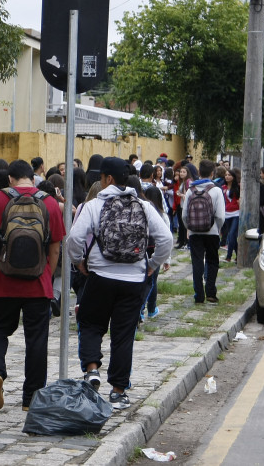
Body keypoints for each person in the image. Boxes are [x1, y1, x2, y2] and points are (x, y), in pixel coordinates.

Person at [67, 157, 173, 410]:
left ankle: (92, 369)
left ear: (108, 179)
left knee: (91, 323)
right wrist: (151, 265)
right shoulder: (143, 205)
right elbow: (166, 239)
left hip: (100, 277)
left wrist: (79, 262)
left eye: (101, 178)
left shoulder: (94, 205)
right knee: (123, 335)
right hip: (133, 281)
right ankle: (118, 392)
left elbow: (74, 238)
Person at [0, 159, 66, 411]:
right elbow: (56, 246)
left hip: (5, 282)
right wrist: (46, 275)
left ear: (10, 179)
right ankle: (31, 398)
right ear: (33, 177)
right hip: (38, 285)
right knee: (36, 339)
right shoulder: (49, 202)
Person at [181, 159, 225, 304]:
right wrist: (218, 229)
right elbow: (220, 215)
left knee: (197, 262)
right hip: (212, 232)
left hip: (195, 233)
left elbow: (184, 215)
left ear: (199, 173)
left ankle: (198, 295)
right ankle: (211, 292)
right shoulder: (217, 190)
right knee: (212, 261)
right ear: (212, 173)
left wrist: (189, 227)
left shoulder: (190, 190)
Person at [142, 185, 172, 319]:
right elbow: (167, 238)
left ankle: (141, 311)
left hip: (142, 249)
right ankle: (151, 308)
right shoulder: (162, 215)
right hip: (156, 250)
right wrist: (167, 259)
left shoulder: (142, 210)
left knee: (143, 281)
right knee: (152, 280)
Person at [222, 168, 241, 262]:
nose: (227, 176)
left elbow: (240, 200)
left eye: (229, 175)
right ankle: (238, 256)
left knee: (232, 234)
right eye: (226, 175)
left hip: (236, 213)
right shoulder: (223, 188)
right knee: (232, 236)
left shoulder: (238, 187)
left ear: (233, 177)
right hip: (227, 214)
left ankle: (228, 257)